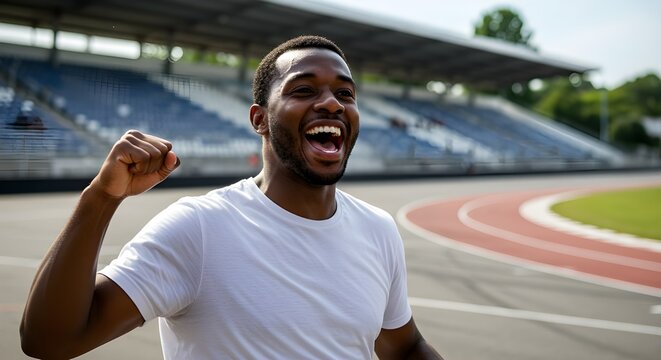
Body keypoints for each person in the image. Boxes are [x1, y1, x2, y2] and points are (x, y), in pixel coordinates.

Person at [20, 35, 444, 359]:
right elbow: (49, 339)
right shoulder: (200, 227)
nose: (331, 103)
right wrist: (100, 199)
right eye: (303, 90)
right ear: (259, 119)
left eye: (345, 94)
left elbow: (404, 348)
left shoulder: (378, 228)